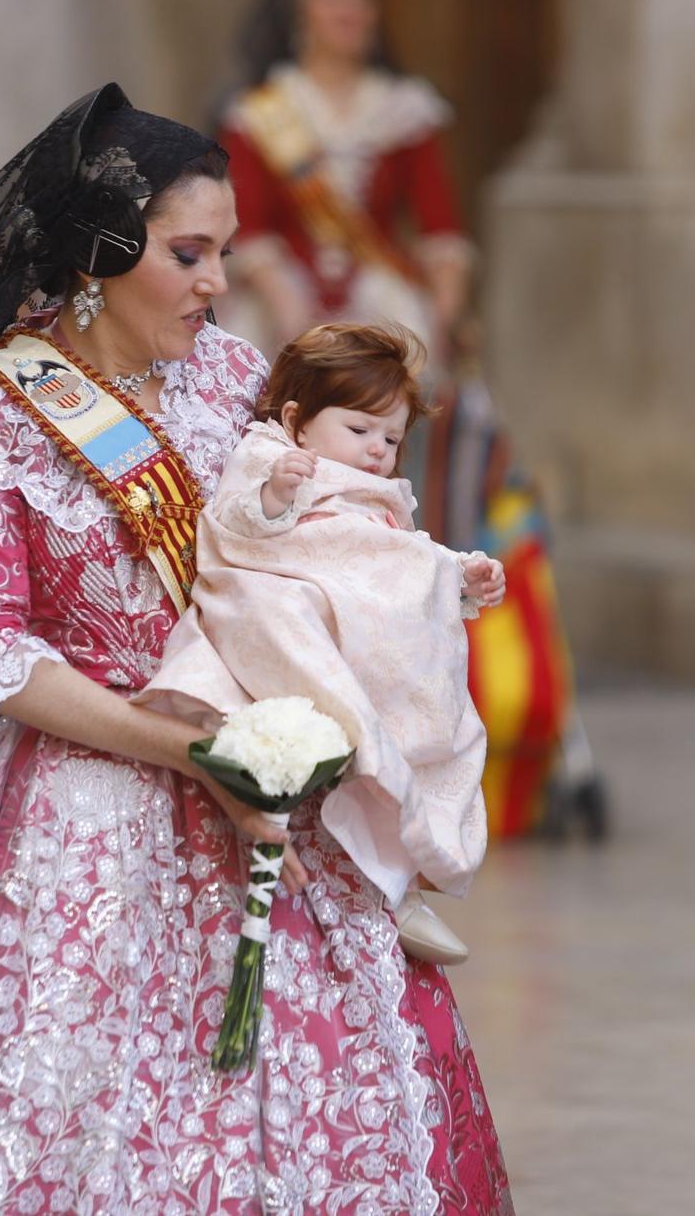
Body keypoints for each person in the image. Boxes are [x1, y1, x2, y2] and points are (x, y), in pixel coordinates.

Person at [0, 83, 512, 1211]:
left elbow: (332, 539)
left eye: (224, 252)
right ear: (99, 253)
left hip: (267, 777)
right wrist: (184, 749)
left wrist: (417, 591)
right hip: (73, 802)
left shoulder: (241, 380)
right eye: (188, 253)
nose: (215, 281)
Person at [223, 0, 605, 840]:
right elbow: (254, 227)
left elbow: (438, 228)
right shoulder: (262, 115)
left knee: (445, 427)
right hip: (285, 318)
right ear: (302, 12)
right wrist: (300, 328)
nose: (349, 11)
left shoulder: (406, 111)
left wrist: (439, 306)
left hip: (375, 316)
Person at [138, 321, 504, 966]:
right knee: (295, 624)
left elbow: (394, 558)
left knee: (439, 691)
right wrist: (276, 494)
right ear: (296, 419)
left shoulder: (380, 494)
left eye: (390, 439)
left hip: (362, 615)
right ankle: (387, 854)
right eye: (359, 430)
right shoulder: (271, 455)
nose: (375, 451)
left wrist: (457, 576)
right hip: (287, 589)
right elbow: (236, 526)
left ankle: (405, 857)